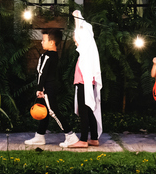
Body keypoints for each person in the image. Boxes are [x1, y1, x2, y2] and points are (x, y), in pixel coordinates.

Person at [25, 28, 78, 147]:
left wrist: (39, 89)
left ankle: (71, 136)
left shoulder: (47, 56)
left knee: (53, 111)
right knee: (44, 110)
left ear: (52, 42)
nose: (41, 42)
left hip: (47, 88)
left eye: (44, 40)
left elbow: (41, 73)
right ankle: (39, 136)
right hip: (49, 87)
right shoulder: (54, 56)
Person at [64, 10, 103, 148]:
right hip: (84, 83)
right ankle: (94, 138)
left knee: (84, 111)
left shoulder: (86, 52)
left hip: (84, 83)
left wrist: (77, 18)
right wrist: (77, 19)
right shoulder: (85, 51)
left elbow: (80, 31)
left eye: (75, 37)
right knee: (87, 110)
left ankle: (84, 139)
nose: (74, 39)